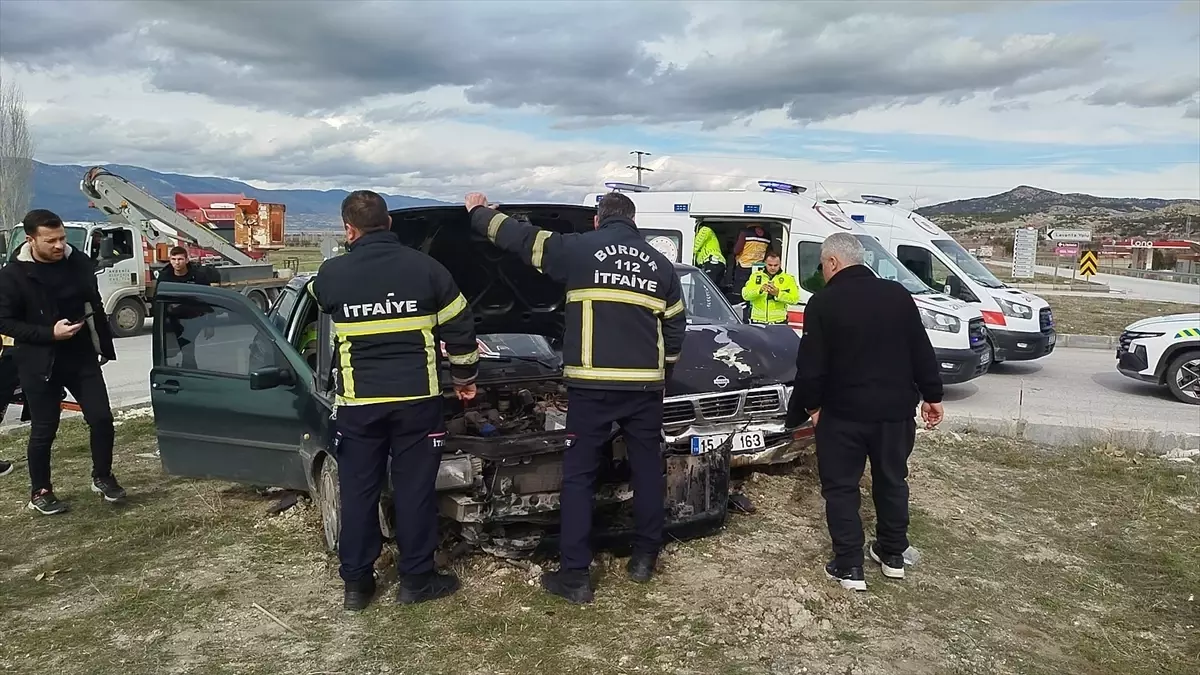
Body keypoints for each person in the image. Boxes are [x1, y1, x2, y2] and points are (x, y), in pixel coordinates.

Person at [464, 190, 686, 604]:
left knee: (579, 478)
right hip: (644, 389)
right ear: (633, 222)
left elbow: (520, 239)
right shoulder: (660, 266)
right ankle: (643, 559)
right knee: (646, 471)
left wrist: (478, 213)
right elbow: (675, 328)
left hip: (592, 388)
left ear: (598, 221)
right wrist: (664, 371)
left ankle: (576, 576)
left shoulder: (581, 249)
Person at [311, 190, 480, 612]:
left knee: (359, 492)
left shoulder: (332, 273)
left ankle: (357, 586)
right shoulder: (427, 269)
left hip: (359, 405)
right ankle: (416, 581)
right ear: (389, 224)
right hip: (416, 404)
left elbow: (320, 297)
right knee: (414, 492)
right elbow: (460, 328)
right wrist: (464, 379)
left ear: (349, 230)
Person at [785, 233, 943, 592]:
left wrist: (811, 408)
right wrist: (932, 395)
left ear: (833, 262)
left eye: (823, 264)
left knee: (841, 489)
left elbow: (811, 367)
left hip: (843, 415)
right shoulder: (898, 296)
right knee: (892, 481)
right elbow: (920, 348)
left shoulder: (823, 303)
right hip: (894, 413)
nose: (822, 271)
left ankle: (848, 566)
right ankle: (892, 555)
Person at [0, 209, 122, 515]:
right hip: (39, 361)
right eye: (50, 240)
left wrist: (100, 339)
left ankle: (102, 476)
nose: (58, 245)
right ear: (31, 240)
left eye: (62, 238)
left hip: (80, 356)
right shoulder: (13, 275)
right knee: (44, 428)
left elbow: (92, 300)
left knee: (102, 418)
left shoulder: (77, 261)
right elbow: (5, 322)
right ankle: (41, 491)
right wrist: (49, 333)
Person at [157, 246, 214, 369]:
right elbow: (158, 299)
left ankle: (189, 368)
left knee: (187, 345)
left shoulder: (199, 277)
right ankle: (186, 368)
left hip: (193, 318)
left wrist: (210, 325)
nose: (177, 263)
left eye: (180, 259)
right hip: (173, 319)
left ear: (187, 260)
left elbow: (208, 301)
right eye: (173, 259)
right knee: (178, 349)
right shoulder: (165, 277)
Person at [740, 251, 799, 325]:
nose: (773, 268)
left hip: (778, 322)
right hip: (757, 321)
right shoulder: (755, 276)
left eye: (776, 265)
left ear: (780, 264)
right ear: (765, 263)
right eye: (770, 265)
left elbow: (795, 299)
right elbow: (745, 295)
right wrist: (759, 290)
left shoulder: (788, 279)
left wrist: (778, 294)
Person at [731, 224, 771, 292]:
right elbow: (769, 253)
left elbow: (736, 250)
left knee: (741, 290)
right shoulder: (767, 235)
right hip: (759, 267)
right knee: (755, 288)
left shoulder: (745, 233)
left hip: (744, 266)